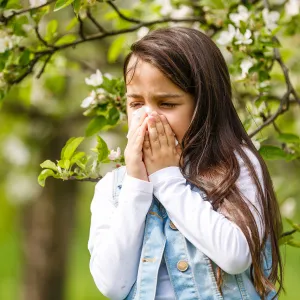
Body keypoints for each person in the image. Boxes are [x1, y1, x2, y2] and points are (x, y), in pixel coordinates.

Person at [87, 27, 284, 300]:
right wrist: (136, 185)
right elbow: (111, 284)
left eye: (166, 104)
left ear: (204, 105)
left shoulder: (237, 167)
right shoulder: (114, 188)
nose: (149, 117)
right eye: (135, 103)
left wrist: (168, 179)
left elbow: (236, 255)